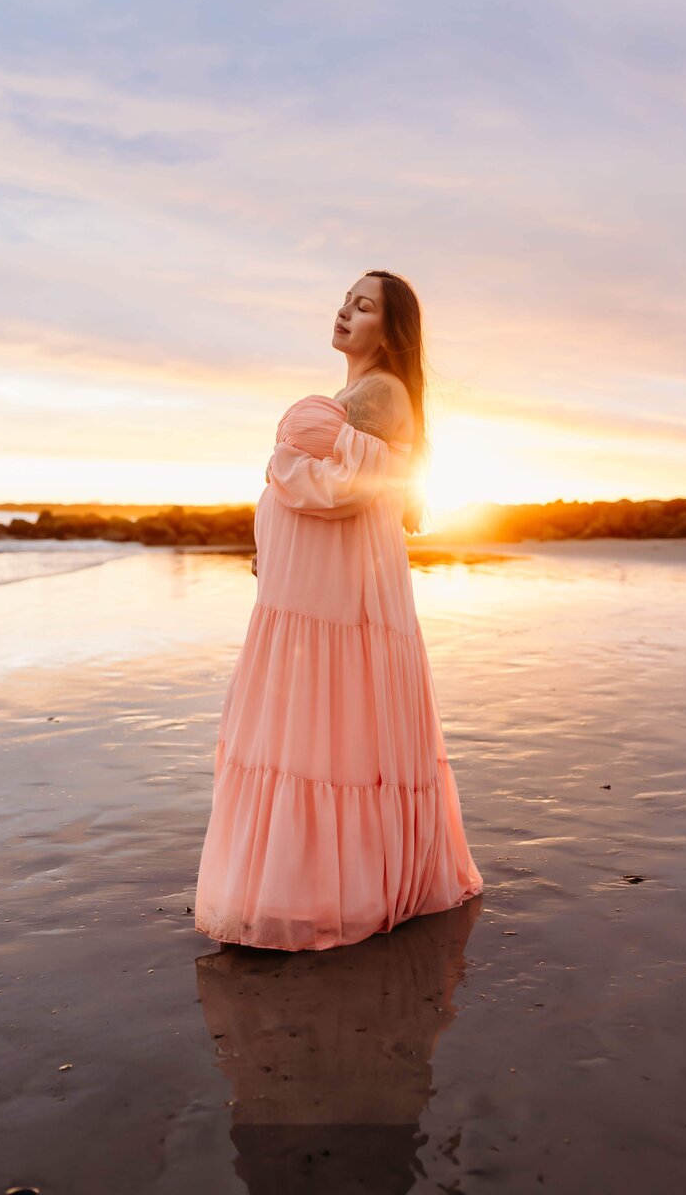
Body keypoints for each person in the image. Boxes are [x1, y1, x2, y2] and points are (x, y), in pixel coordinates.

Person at [194, 269, 484, 951]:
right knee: (324, 727)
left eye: (364, 305)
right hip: (310, 596)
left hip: (332, 601)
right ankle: (328, 883)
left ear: (392, 328)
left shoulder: (381, 391)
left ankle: (323, 892)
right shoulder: (354, 393)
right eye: (345, 300)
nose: (345, 311)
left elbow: (349, 488)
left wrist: (277, 468)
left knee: (322, 730)